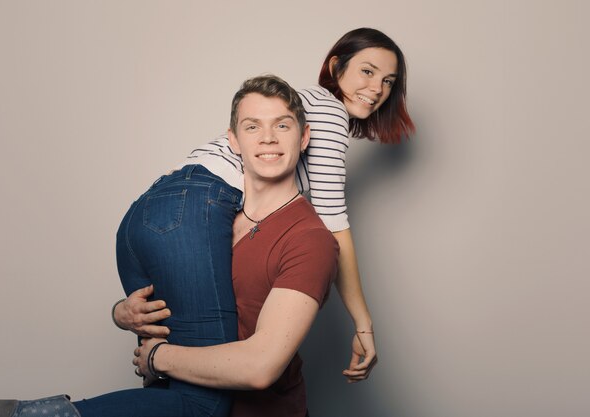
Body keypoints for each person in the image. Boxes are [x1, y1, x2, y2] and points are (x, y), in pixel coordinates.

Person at [0, 75, 337, 417]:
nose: (268, 138)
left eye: (282, 125)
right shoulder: (209, 222)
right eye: (253, 126)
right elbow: (180, 301)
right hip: (175, 400)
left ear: (303, 137)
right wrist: (125, 312)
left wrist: (157, 358)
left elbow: (261, 366)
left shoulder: (310, 239)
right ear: (233, 140)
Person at [115, 26, 414, 387]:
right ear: (336, 67)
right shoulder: (331, 112)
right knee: (201, 398)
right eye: (367, 71)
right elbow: (334, 221)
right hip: (196, 202)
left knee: (168, 380)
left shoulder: (307, 104)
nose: (377, 89)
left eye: (388, 81)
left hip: (147, 210)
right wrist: (363, 322)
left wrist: (119, 313)